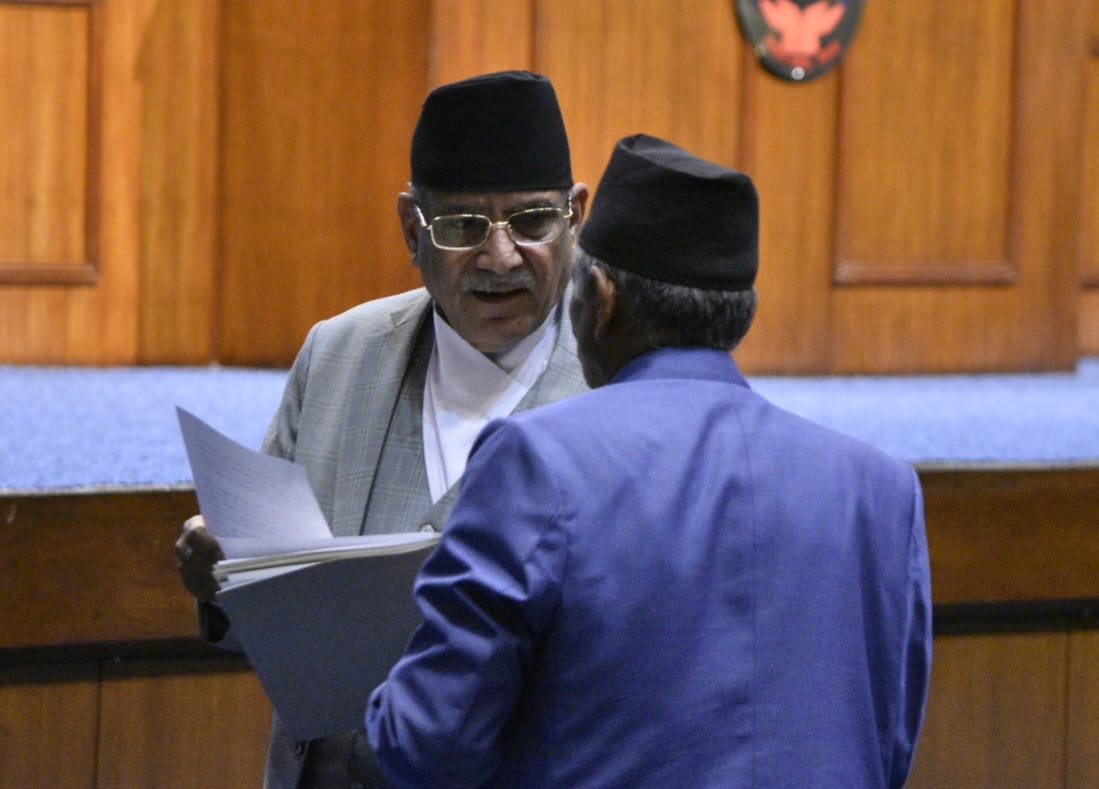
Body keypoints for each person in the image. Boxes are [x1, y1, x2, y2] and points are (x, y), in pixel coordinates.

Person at [365, 134, 933, 787]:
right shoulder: (880, 489)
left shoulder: (537, 462)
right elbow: (888, 744)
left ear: (600, 298)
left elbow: (430, 742)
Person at [174, 70, 590, 788]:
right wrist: (222, 576)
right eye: (462, 227)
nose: (499, 257)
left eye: (531, 222)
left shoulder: (616, 390)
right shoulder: (340, 354)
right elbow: (274, 615)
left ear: (575, 216)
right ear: (410, 228)